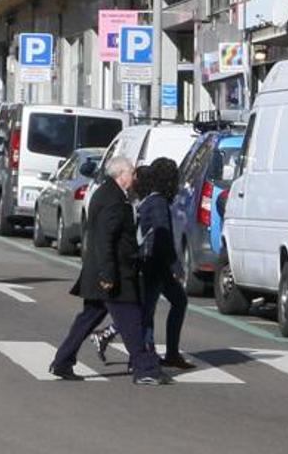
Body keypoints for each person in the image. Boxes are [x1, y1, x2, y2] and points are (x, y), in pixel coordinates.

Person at [49, 156, 169, 385]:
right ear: (122, 174)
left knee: (87, 319)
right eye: (132, 173)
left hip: (105, 271)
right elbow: (105, 239)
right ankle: (144, 369)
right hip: (114, 274)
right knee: (131, 320)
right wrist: (107, 274)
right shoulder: (113, 199)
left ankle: (62, 361)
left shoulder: (108, 194)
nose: (134, 178)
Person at [134, 157, 195, 370]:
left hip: (153, 264)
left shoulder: (150, 200)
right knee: (146, 312)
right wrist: (175, 265)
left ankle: (168, 353)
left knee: (176, 302)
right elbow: (163, 237)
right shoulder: (159, 203)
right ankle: (143, 356)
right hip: (155, 265)